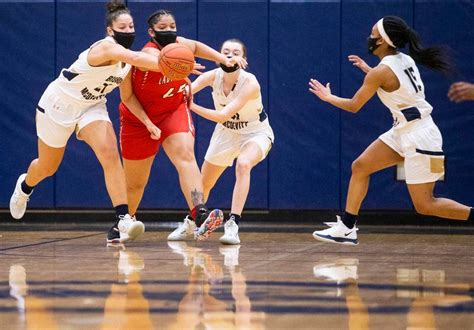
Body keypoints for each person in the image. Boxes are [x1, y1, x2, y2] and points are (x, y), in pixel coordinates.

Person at [309, 16, 473, 245]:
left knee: (425, 205)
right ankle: (347, 227)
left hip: (421, 138)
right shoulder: (401, 59)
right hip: (403, 130)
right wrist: (369, 70)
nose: (370, 37)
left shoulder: (381, 72)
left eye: (373, 33)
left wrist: (328, 97)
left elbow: (354, 105)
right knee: (360, 166)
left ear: (384, 41)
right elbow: (391, 81)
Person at [9, 0, 162, 244]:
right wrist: (172, 65)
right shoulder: (106, 48)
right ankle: (26, 186)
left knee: (110, 154)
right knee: (48, 167)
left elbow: (128, 97)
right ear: (111, 31)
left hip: (91, 106)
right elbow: (134, 55)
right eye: (123, 27)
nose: (129, 31)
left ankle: (123, 218)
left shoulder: (125, 65)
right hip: (59, 104)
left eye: (132, 26)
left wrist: (147, 122)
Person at [119, 10, 247, 241]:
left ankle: (199, 213)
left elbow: (195, 47)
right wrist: (181, 67)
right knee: (136, 184)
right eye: (163, 28)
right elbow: (129, 97)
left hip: (172, 110)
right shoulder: (145, 54)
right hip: (138, 119)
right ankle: (125, 222)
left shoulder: (180, 44)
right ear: (151, 32)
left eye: (172, 26)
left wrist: (222, 59)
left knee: (186, 156)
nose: (170, 31)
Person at [182, 39, 274, 245]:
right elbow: (184, 91)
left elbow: (222, 115)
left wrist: (191, 106)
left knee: (243, 165)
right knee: (203, 182)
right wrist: (179, 79)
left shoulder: (250, 83)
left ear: (244, 60)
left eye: (236, 52)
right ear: (219, 56)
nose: (230, 55)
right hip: (225, 133)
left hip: (255, 132)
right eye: (226, 52)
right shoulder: (212, 77)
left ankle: (233, 224)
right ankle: (191, 220)